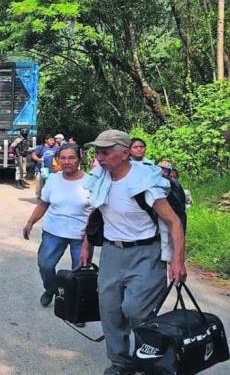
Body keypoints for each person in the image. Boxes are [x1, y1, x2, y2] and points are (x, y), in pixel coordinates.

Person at [80, 130, 186, 375]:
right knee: (110, 311)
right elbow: (95, 214)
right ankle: (121, 364)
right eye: (97, 152)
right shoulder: (100, 178)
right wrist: (87, 244)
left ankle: (150, 356)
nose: (100, 157)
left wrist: (177, 260)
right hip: (111, 253)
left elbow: (173, 222)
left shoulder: (144, 182)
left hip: (145, 254)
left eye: (105, 152)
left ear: (125, 153)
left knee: (136, 310)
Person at [22, 146, 90, 310]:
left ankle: (75, 307)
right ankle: (51, 289)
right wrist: (30, 222)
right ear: (57, 160)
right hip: (53, 232)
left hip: (80, 235)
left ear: (79, 159)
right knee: (45, 264)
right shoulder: (53, 179)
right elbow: (43, 204)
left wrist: (88, 244)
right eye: (63, 158)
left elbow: (96, 215)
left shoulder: (90, 181)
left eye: (71, 158)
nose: (67, 162)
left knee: (79, 272)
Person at [31, 135, 58, 200]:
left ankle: (47, 199)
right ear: (46, 140)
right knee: (39, 186)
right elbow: (33, 155)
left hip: (51, 170)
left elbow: (57, 158)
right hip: (40, 170)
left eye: (53, 140)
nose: (52, 141)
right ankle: (39, 198)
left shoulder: (55, 148)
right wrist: (38, 159)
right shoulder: (40, 147)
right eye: (50, 140)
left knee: (50, 186)